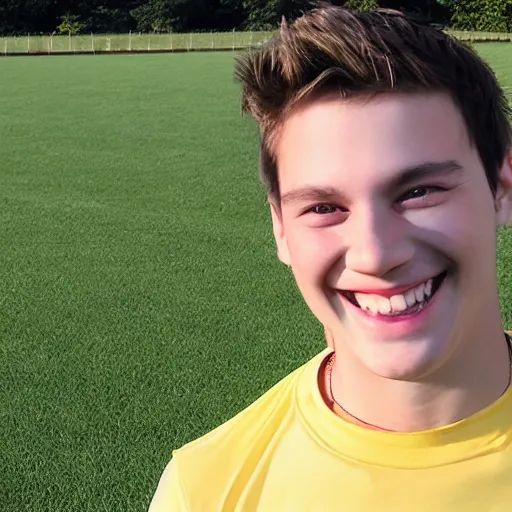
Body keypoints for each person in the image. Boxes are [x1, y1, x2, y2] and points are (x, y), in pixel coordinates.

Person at [149, 6, 512, 511]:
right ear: (280, 227)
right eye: (323, 208)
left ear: (502, 186)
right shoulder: (207, 490)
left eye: (419, 191)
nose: (375, 253)